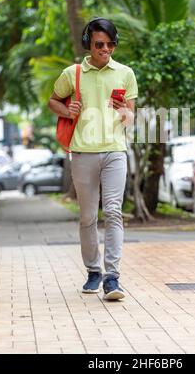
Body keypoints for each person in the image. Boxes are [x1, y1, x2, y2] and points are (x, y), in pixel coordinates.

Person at [48, 18, 138, 300]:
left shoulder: (125, 73)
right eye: (100, 44)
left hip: (114, 150)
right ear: (88, 44)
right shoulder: (72, 73)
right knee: (87, 216)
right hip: (83, 152)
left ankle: (112, 277)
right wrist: (67, 110)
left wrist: (124, 111)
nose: (106, 49)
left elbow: (131, 118)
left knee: (112, 211)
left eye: (111, 44)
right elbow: (53, 101)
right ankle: (93, 272)